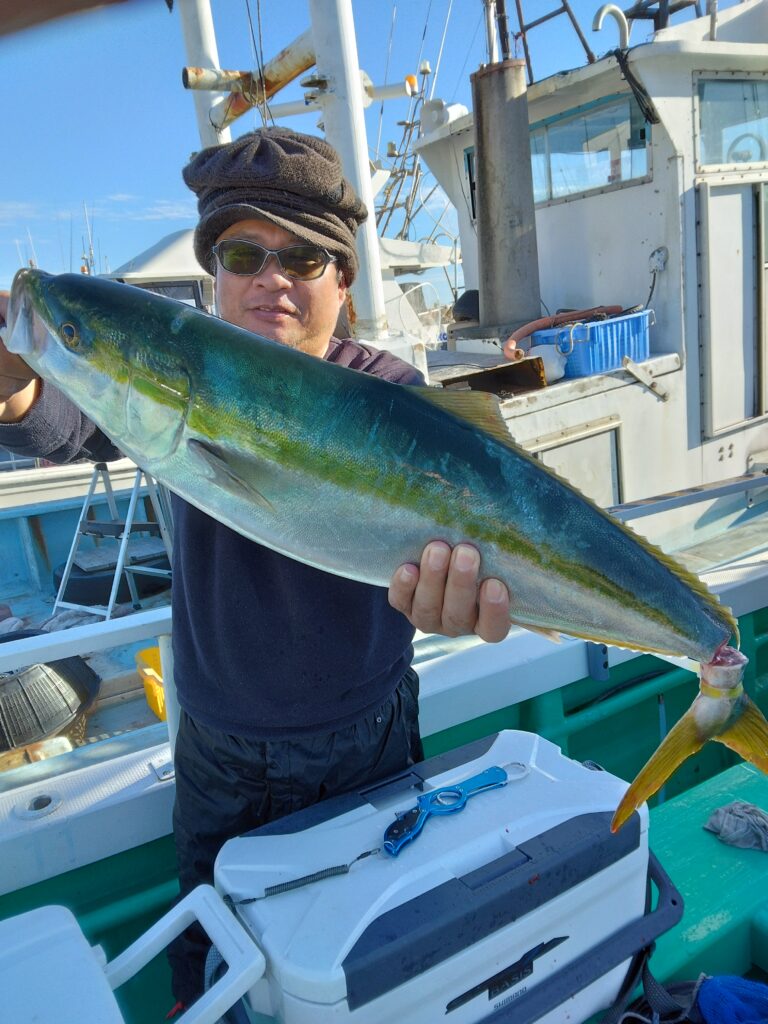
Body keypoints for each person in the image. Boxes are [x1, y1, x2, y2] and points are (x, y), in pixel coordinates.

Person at [0, 127, 511, 1009]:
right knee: (208, 964)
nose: (271, 277)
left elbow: (479, 525)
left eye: (302, 257)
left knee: (371, 949)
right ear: (216, 276)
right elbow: (66, 422)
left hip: (368, 734)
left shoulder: (390, 395)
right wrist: (16, 377)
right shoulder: (176, 374)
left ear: (342, 280)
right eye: (243, 254)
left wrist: (460, 600)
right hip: (219, 744)